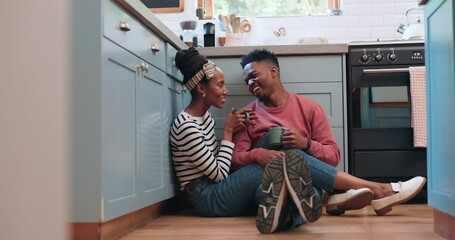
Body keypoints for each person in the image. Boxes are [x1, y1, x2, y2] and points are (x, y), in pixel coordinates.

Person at [231, 48, 426, 217]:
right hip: (266, 181)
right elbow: (236, 161)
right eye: (247, 80)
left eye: (254, 76)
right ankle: (375, 191)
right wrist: (260, 154)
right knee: (280, 176)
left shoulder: (310, 109)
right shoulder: (248, 116)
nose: (250, 84)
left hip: (304, 180)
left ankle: (331, 200)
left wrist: (305, 144)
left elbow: (333, 156)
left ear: (273, 72)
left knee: (306, 191)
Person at [169, 48, 321, 234]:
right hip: (208, 198)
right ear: (201, 89)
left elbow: (216, 166)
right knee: (280, 157)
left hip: (217, 187)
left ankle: (286, 212)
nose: (225, 91)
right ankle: (333, 187)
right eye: (220, 85)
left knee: (272, 141)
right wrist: (228, 131)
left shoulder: (204, 117)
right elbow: (219, 175)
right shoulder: (186, 126)